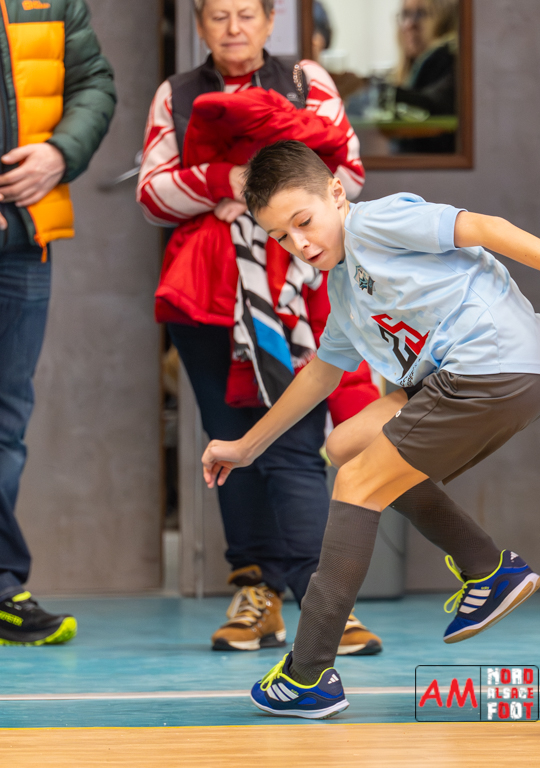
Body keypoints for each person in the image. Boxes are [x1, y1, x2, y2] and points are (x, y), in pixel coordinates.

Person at [196, 140, 540, 718]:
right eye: (281, 238)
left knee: (359, 484)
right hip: (473, 378)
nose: (301, 244)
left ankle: (307, 673)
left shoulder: (376, 222)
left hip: (489, 365)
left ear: (336, 193)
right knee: (346, 446)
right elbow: (320, 374)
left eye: (304, 222)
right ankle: (488, 570)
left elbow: (487, 228)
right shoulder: (342, 287)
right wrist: (246, 446)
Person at [136, 0, 382, 655]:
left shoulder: (306, 80)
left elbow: (347, 178)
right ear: (200, 24)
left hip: (296, 291)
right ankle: (257, 595)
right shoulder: (176, 94)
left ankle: (325, 602)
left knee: (295, 442)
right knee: (230, 443)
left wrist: (252, 198)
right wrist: (227, 177)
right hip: (204, 295)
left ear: (271, 20)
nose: (234, 27)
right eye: (218, 15)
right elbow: (152, 192)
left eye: (246, 13)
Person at [0, 0, 116, 646]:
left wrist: (58, 154)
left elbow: (94, 82)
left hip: (23, 239)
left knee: (5, 422)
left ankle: (1, 589)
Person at [389, 0, 458, 153]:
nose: (409, 24)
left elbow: (431, 104)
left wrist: (380, 93)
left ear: (445, 20)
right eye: (406, 14)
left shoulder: (445, 59)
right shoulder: (408, 71)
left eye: (421, 14)